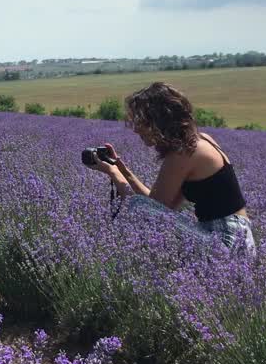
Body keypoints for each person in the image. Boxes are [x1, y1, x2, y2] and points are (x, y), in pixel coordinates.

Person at [85, 82, 255, 253]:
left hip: (227, 241)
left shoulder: (184, 153)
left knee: (138, 207)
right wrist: (121, 169)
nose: (136, 130)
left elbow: (147, 209)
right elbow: (162, 206)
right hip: (238, 240)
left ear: (158, 120)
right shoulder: (199, 141)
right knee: (142, 207)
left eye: (140, 122)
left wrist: (113, 173)